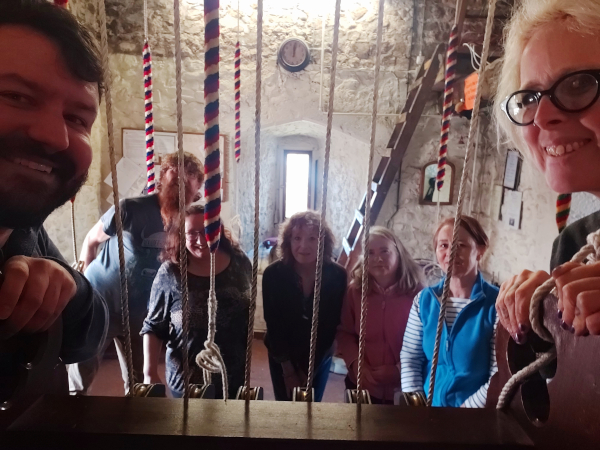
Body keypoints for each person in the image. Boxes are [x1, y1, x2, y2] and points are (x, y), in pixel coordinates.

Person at [0, 0, 107, 398]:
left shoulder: (24, 233)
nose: (55, 136)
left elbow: (87, 333)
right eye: (17, 96)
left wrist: (68, 288)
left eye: (77, 119)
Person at [495, 0, 600, 339]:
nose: (541, 117)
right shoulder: (572, 246)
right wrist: (549, 318)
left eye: (578, 85)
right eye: (529, 98)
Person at [67, 152, 203, 395]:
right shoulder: (130, 208)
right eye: (175, 175)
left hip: (142, 313)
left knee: (140, 382)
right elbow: (91, 240)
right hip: (101, 304)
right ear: (163, 177)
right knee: (79, 378)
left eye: (189, 178)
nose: (181, 181)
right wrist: (84, 289)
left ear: (197, 189)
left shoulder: (188, 223)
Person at [141, 205, 251, 399]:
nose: (201, 240)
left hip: (233, 377)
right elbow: (153, 326)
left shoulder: (240, 262)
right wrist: (149, 373)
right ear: (181, 236)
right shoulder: (171, 273)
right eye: (192, 233)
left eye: (207, 230)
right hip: (187, 382)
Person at [400, 216, 498, 407]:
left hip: (474, 414)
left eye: (461, 245)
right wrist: (416, 406)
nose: (451, 252)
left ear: (480, 250)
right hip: (427, 410)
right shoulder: (424, 301)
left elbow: (498, 374)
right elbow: (411, 357)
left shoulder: (496, 305)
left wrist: (463, 412)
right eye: (443, 245)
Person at [262, 211, 346, 401]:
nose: (303, 246)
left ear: (323, 242)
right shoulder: (273, 275)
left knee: (311, 406)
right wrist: (289, 373)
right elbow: (274, 327)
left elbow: (330, 327)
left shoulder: (337, 275)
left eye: (312, 238)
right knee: (285, 405)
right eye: (297, 238)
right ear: (288, 242)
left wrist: (308, 372)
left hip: (320, 355)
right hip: (282, 355)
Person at [337, 227, 424, 404]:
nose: (378, 258)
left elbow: (425, 341)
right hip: (361, 382)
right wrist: (357, 364)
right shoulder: (355, 291)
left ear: (398, 253)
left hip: (404, 387)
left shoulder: (419, 294)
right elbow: (345, 333)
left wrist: (399, 370)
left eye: (385, 251)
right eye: (370, 253)